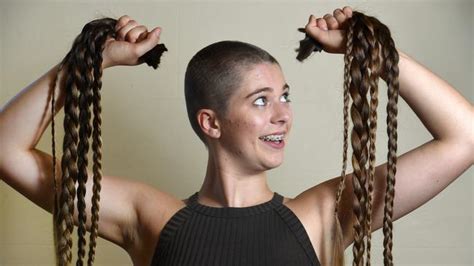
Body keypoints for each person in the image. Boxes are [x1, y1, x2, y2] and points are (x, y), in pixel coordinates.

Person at [0, 6, 472, 266]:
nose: (284, 115)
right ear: (211, 123)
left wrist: (372, 52)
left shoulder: (323, 215)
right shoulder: (149, 216)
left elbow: (464, 137)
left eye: (285, 97)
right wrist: (91, 62)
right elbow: (6, 150)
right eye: (261, 100)